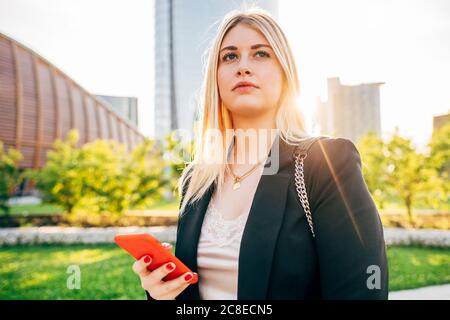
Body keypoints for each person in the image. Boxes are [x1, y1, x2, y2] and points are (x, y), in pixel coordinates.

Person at [132, 7, 389, 300]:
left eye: (260, 54)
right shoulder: (196, 180)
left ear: (285, 72)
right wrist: (160, 293)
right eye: (229, 56)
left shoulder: (325, 163)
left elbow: (361, 292)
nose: (243, 66)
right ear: (214, 77)